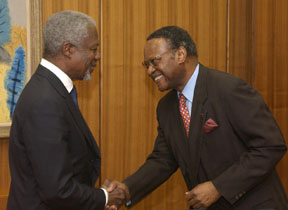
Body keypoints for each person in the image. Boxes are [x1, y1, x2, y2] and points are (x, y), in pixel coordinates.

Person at [107, 26, 288, 210]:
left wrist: (219, 187)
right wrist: (127, 190)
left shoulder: (228, 89)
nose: (150, 71)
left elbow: (270, 146)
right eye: (146, 65)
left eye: (154, 61)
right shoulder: (166, 107)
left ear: (180, 54)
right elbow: (163, 160)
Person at [7, 11, 125, 210]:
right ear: (68, 49)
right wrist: (104, 197)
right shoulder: (44, 100)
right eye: (93, 49)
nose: (98, 56)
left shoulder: (53, 90)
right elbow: (58, 190)